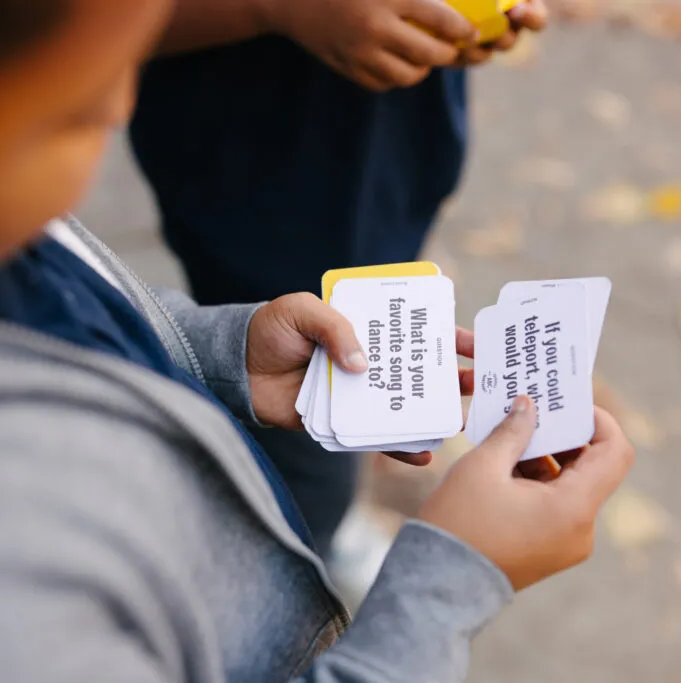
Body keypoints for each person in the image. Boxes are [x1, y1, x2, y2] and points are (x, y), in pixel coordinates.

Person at [0, 1, 632, 681]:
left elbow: (72, 313)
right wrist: (449, 586)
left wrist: (213, 354)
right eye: (74, 115)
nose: (125, 106)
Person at [130, 0, 549, 553]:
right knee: (301, 435)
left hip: (391, 159)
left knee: (325, 386)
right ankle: (303, 539)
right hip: (258, 186)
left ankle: (318, 519)